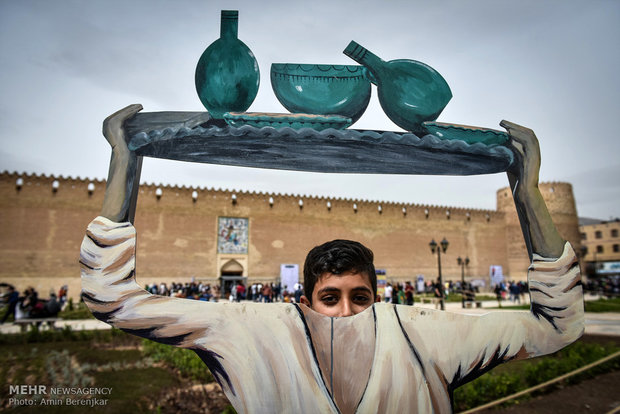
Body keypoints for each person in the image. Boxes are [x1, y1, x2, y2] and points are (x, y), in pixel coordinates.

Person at [80, 105, 583, 413]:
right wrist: (125, 162)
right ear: (305, 299)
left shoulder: (426, 334)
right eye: (330, 297)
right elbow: (112, 299)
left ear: (378, 295)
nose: (345, 311)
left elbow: (557, 325)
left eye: (359, 297)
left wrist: (527, 192)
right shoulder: (251, 333)